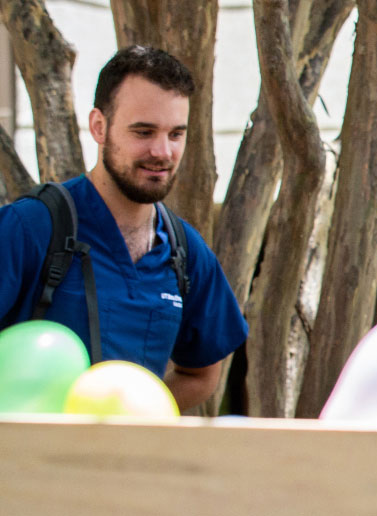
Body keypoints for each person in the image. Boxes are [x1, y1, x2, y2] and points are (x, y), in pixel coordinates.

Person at [0, 46, 247, 411]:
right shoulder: (31, 227)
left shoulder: (185, 251)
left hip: (127, 467)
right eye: (144, 132)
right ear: (99, 127)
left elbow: (203, 374)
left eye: (176, 134)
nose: (162, 151)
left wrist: (133, 426)